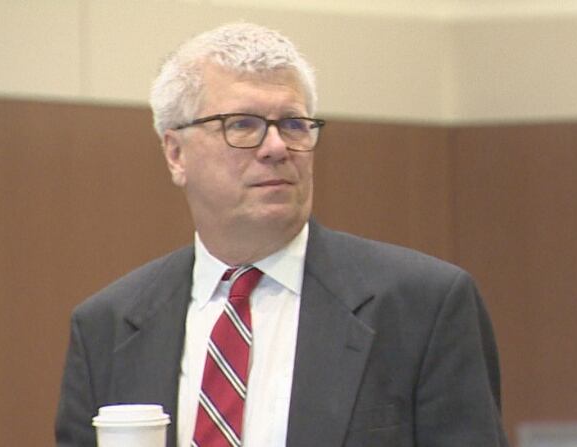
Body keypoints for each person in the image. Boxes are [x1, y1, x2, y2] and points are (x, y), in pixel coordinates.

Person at [55, 22, 508, 447]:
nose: (276, 148)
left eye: (293, 125)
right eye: (243, 125)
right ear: (176, 154)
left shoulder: (421, 307)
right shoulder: (108, 327)